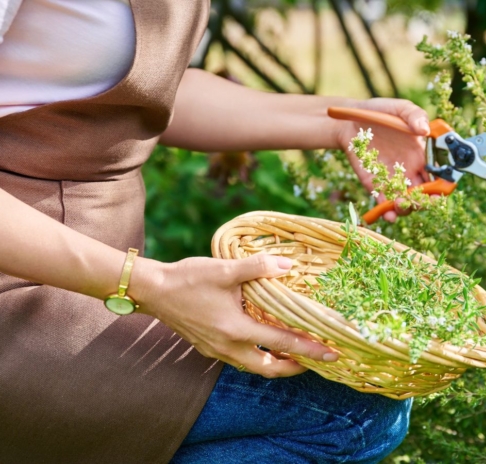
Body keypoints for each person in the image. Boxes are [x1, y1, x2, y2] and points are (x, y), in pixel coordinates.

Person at [0, 0, 432, 462]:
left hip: (97, 279)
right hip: (21, 292)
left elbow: (149, 90)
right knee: (351, 417)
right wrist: (152, 284)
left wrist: (344, 122)